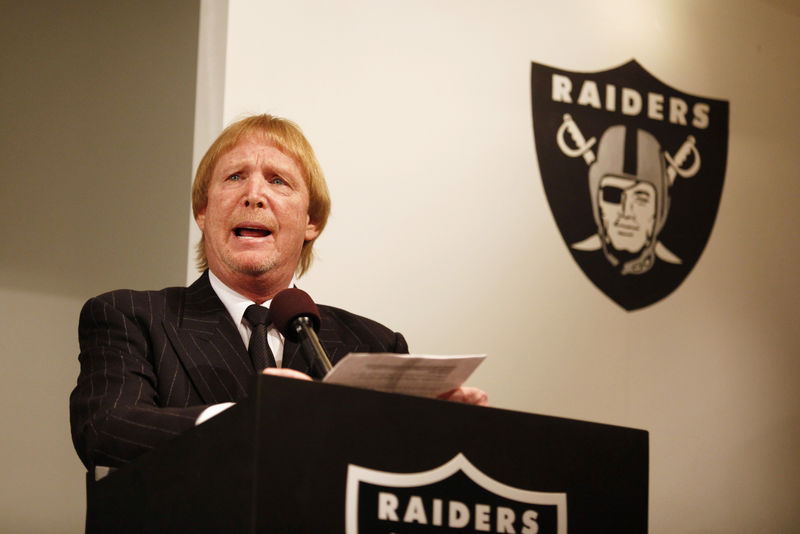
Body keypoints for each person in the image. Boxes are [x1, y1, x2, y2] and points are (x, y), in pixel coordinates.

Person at [69, 114, 487, 470]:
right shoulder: (133, 317)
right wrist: (247, 420)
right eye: (235, 177)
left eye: (279, 181)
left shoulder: (375, 344)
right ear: (203, 211)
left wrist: (439, 435)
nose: (254, 195)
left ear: (312, 221)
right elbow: (105, 428)